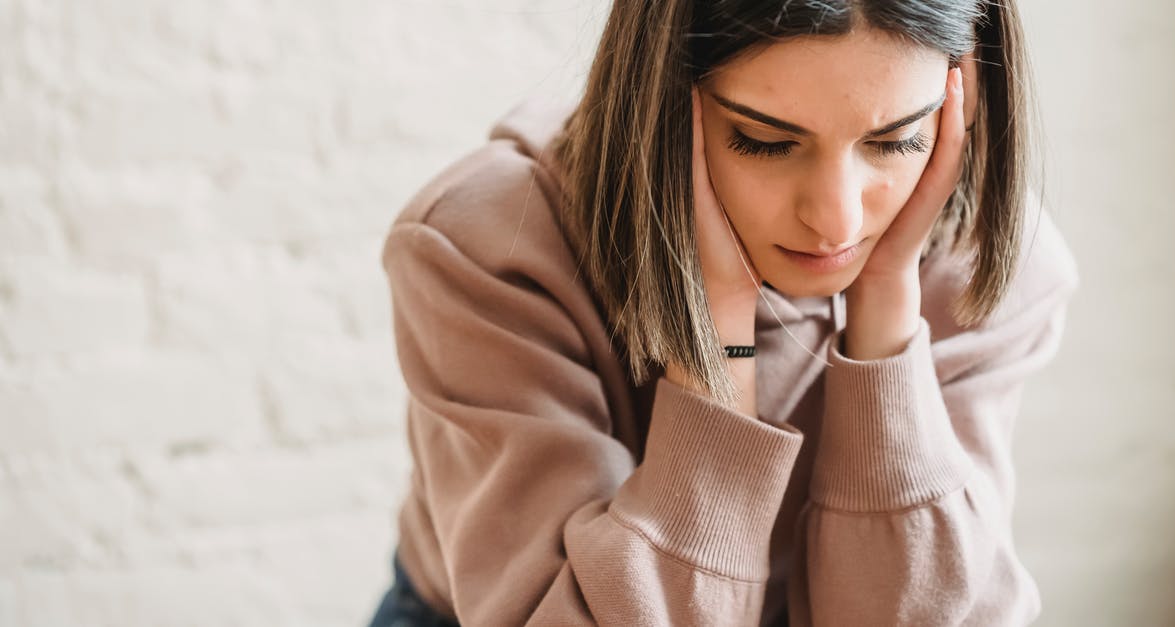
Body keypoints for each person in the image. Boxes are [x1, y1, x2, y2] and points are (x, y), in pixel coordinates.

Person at [369, 1, 1078, 625]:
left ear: (966, 101)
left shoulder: (990, 264)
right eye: (766, 141)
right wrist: (714, 340)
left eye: (894, 140)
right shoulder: (487, 251)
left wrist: (887, 314)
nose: (836, 220)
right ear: (660, 97)